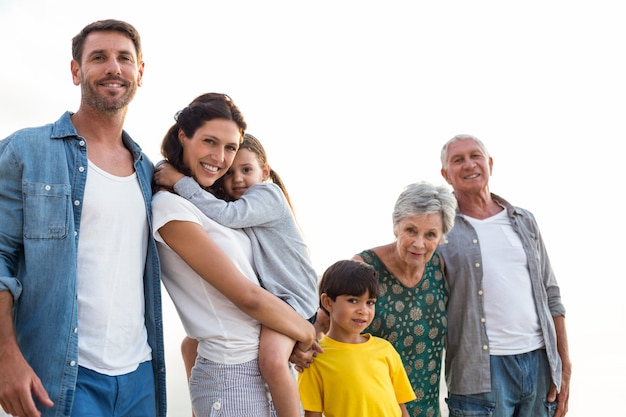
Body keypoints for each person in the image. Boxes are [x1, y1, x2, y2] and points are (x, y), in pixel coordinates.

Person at [0, 19, 166, 417]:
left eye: (125, 58)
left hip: (141, 376)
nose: (114, 68)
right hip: (59, 377)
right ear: (76, 71)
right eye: (99, 58)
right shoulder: (26, 150)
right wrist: (5, 357)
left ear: (140, 72)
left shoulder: (150, 173)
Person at [151, 92, 319, 417]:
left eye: (229, 147)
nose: (221, 157)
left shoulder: (218, 203)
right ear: (183, 136)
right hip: (232, 376)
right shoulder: (171, 206)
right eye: (209, 141)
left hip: (261, 367)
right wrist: (305, 332)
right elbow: (248, 297)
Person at [438, 134, 572, 417]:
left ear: (489, 163)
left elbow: (551, 292)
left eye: (475, 156)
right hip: (479, 373)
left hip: (539, 364)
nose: (469, 164)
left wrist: (564, 362)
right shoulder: (439, 229)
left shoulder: (524, 220)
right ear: (445, 175)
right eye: (457, 160)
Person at [350, 181, 456, 417]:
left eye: (430, 235)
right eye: (411, 230)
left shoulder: (440, 267)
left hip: (427, 410)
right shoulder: (364, 267)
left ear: (441, 238)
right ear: (396, 226)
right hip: (373, 408)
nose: (419, 243)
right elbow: (329, 329)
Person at [297, 259, 416, 417]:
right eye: (353, 300)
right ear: (327, 302)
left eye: (370, 302)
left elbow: (401, 408)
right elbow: (312, 414)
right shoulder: (315, 357)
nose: (364, 310)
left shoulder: (385, 349)